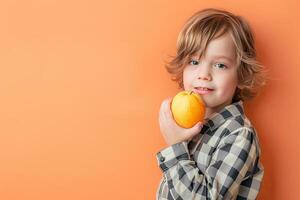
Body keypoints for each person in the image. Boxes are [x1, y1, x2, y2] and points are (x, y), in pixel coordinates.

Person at [156, 8, 267, 200]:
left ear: (242, 75)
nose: (203, 74)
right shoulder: (188, 124)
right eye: (194, 61)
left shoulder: (238, 135)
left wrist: (175, 147)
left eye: (220, 65)